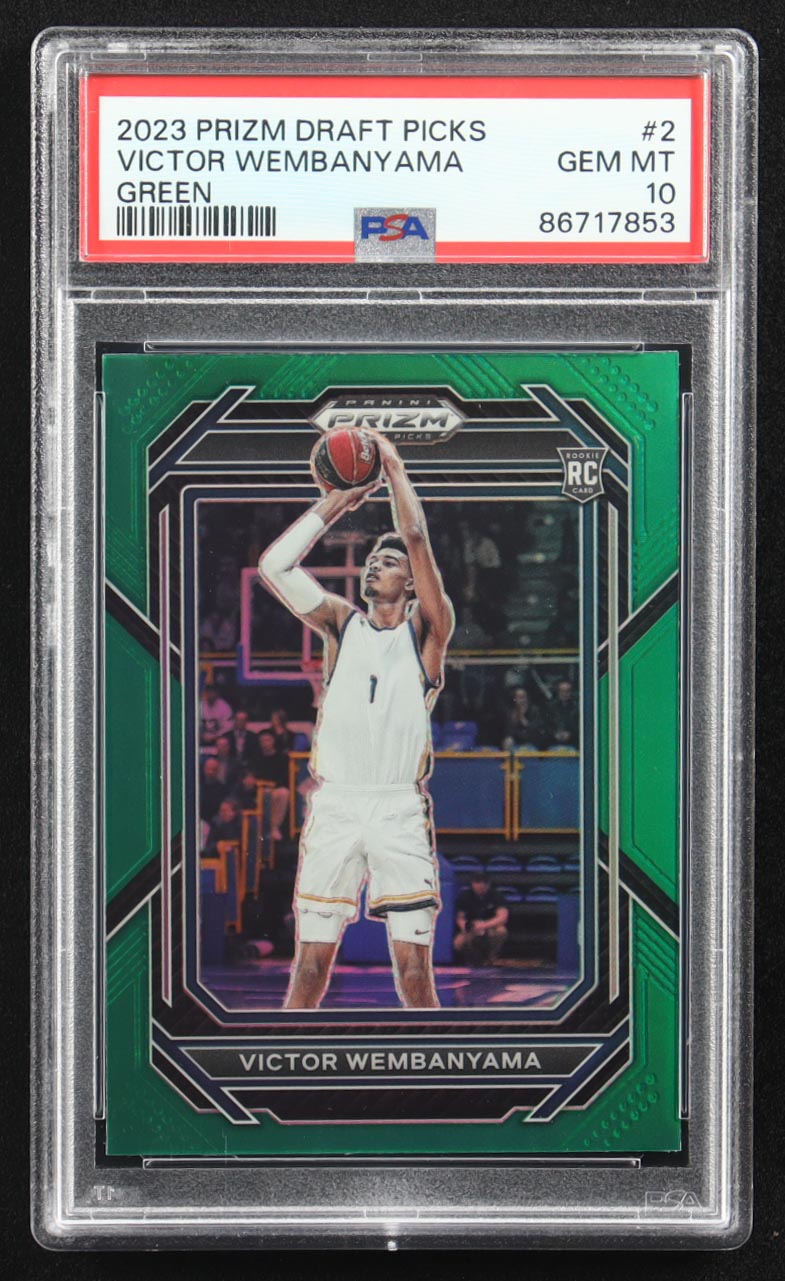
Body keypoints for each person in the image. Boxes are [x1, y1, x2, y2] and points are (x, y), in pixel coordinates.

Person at [258, 433, 454, 1010]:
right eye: (372, 560)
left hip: (397, 808)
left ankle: (432, 1063)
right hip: (337, 805)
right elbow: (274, 565)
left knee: (414, 973)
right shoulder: (341, 625)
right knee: (308, 968)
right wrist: (334, 502)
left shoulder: (428, 632)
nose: (374, 564)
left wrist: (392, 467)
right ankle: (288, 1058)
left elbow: (414, 535)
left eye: (387, 562)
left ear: (411, 582)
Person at [454, 875, 509, 965]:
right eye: (477, 882)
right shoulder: (465, 896)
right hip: (471, 927)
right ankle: (475, 960)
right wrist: (466, 927)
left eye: (484, 883)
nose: (481, 885)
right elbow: (460, 918)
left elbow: (503, 917)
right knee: (458, 942)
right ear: (472, 883)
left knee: (501, 931)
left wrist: (483, 925)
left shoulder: (496, 896)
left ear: (488, 884)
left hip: (490, 926)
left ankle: (491, 958)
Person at [256, 729, 291, 842]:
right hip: (259, 791)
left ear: (273, 741)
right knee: (265, 794)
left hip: (275, 789)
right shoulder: (255, 759)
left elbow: (284, 778)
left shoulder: (282, 758)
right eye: (262, 741)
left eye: (268, 740)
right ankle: (265, 830)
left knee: (284, 793)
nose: (265, 743)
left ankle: (274, 828)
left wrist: (272, 786)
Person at [503, 686, 546, 751]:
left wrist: (525, 721)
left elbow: (539, 730)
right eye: (520, 698)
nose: (522, 700)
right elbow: (509, 731)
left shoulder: (534, 710)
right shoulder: (511, 712)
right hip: (517, 741)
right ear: (515, 699)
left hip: (533, 742)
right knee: (508, 742)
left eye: (524, 697)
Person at [545, 678, 580, 749]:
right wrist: (554, 733)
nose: (564, 694)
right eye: (562, 691)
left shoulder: (578, 707)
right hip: (553, 740)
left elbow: (580, 725)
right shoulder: (549, 707)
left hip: (573, 741)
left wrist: (570, 734)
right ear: (558, 692)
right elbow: (546, 724)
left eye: (567, 691)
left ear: (571, 692)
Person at [225, 709, 261, 773]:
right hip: (230, 769)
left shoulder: (253, 737)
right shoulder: (227, 737)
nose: (240, 722)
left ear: (246, 721)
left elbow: (255, 756)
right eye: (237, 720)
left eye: (242, 720)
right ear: (234, 721)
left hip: (248, 768)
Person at [200, 756, 226, 823]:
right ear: (204, 769)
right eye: (208, 769)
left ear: (218, 771)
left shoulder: (223, 789)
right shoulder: (196, 786)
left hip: (213, 822)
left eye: (213, 769)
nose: (210, 772)